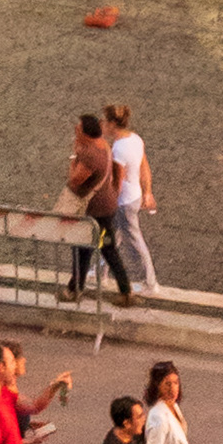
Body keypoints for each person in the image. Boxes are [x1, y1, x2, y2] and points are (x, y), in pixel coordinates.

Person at [104, 99, 155, 300]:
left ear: (112, 124)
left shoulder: (118, 150)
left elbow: (117, 182)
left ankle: (151, 282)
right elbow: (145, 167)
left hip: (123, 202)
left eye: (105, 122)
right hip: (135, 196)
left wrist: (108, 203)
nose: (103, 125)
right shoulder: (136, 139)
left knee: (134, 239)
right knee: (112, 237)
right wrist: (148, 192)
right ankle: (100, 273)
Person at [61, 110, 112, 297]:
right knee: (102, 247)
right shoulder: (103, 147)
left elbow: (74, 180)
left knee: (84, 248)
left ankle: (75, 289)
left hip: (92, 207)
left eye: (79, 127)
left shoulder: (90, 155)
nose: (75, 128)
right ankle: (77, 286)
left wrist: (75, 156)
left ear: (86, 133)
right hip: (102, 206)